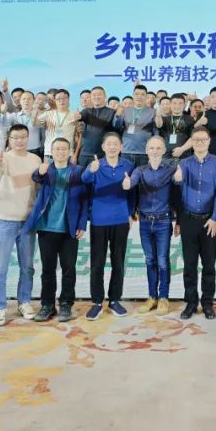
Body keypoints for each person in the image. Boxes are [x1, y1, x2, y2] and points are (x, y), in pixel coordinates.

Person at [26, 137, 88, 323]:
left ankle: (66, 304)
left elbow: (85, 199)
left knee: (69, 269)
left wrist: (82, 224)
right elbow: (36, 177)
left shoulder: (78, 171)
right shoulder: (47, 170)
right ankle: (47, 305)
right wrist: (40, 171)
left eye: (64, 149)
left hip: (69, 228)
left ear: (70, 152)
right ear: (51, 152)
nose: (60, 152)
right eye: (57, 149)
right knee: (48, 269)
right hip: (46, 228)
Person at [0, 124, 42, 327]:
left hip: (28, 220)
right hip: (5, 219)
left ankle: (24, 302)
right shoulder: (3, 158)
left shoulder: (35, 159)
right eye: (15, 137)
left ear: (28, 138)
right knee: (0, 267)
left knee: (27, 266)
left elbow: (38, 186)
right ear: (9, 139)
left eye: (23, 137)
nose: (20, 140)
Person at [174, 127, 216, 320]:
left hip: (210, 221)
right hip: (188, 219)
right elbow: (177, 192)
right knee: (189, 265)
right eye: (196, 140)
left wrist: (215, 217)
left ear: (209, 141)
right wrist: (177, 180)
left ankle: (207, 303)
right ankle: (190, 303)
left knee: (209, 265)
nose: (199, 143)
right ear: (191, 142)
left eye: (203, 139)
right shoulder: (184, 163)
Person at [81, 132, 134, 320]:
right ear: (103, 147)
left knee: (118, 261)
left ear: (121, 147)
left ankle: (114, 300)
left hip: (120, 219)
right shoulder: (95, 164)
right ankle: (97, 302)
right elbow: (84, 180)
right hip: (99, 220)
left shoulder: (128, 165)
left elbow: (132, 191)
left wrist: (130, 213)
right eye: (108, 144)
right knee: (97, 262)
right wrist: (91, 170)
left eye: (115, 144)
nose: (112, 147)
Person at [126, 135, 178, 316]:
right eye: (152, 148)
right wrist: (127, 183)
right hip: (145, 222)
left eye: (158, 148)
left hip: (163, 221)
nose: (155, 151)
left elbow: (179, 186)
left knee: (162, 261)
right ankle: (151, 297)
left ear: (164, 151)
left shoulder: (171, 169)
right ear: (146, 151)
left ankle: (163, 297)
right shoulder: (139, 170)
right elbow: (132, 181)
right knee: (150, 260)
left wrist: (180, 177)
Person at [117, 84, 157, 168]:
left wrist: (153, 152)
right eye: (137, 94)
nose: (139, 97)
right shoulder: (125, 110)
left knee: (143, 176)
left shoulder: (152, 112)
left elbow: (156, 132)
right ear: (133, 95)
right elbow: (117, 126)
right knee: (125, 175)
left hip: (145, 152)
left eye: (142, 94)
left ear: (146, 97)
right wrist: (118, 115)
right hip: (126, 151)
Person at [76, 85, 118, 164]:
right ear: (91, 97)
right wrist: (76, 116)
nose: (96, 97)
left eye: (99, 95)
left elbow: (117, 126)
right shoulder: (87, 111)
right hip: (85, 154)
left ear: (105, 97)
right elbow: (80, 116)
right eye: (94, 95)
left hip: (103, 154)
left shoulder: (112, 112)